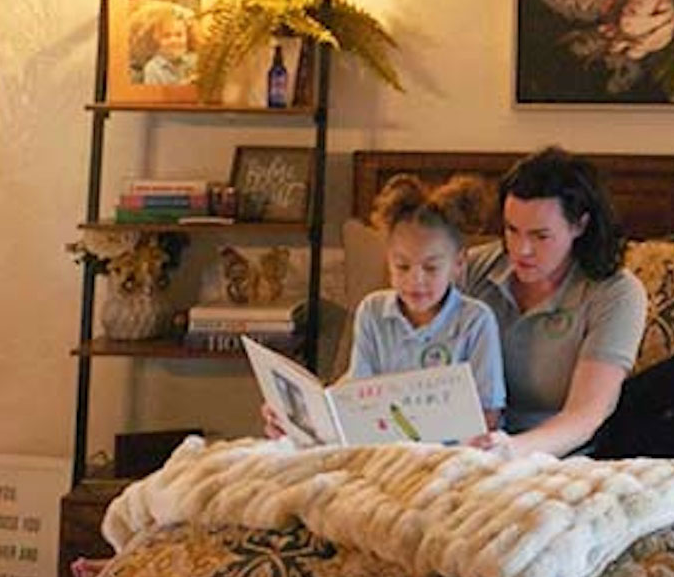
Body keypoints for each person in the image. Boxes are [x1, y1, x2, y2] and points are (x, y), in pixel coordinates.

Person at [264, 147, 646, 457]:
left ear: (579, 225)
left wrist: (512, 450)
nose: (521, 249)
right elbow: (387, 361)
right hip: (447, 443)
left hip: (552, 451)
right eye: (511, 230)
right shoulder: (475, 268)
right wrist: (315, 413)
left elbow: (586, 414)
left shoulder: (614, 293)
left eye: (541, 235)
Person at [345, 174, 506, 429]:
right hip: (385, 445)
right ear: (388, 261)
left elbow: (489, 412)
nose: (415, 280)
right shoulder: (372, 312)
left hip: (456, 449)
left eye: (431, 268)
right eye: (402, 266)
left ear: (458, 265)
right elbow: (356, 395)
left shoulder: (475, 321)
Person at [129, 0, 198, 86]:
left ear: (187, 37)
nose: (173, 40)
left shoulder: (195, 61)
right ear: (158, 39)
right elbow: (152, 97)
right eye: (167, 36)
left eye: (179, 35)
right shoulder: (152, 69)